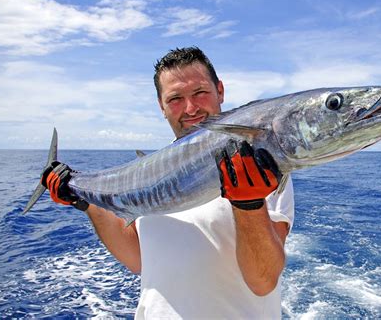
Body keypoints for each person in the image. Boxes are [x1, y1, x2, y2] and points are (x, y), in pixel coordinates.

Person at [42, 47, 295, 319]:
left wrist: (249, 204)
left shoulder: (263, 168)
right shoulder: (151, 173)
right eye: (175, 98)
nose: (191, 108)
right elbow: (137, 258)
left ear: (220, 91)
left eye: (200, 92)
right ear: (161, 106)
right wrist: (85, 203)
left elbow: (263, 281)